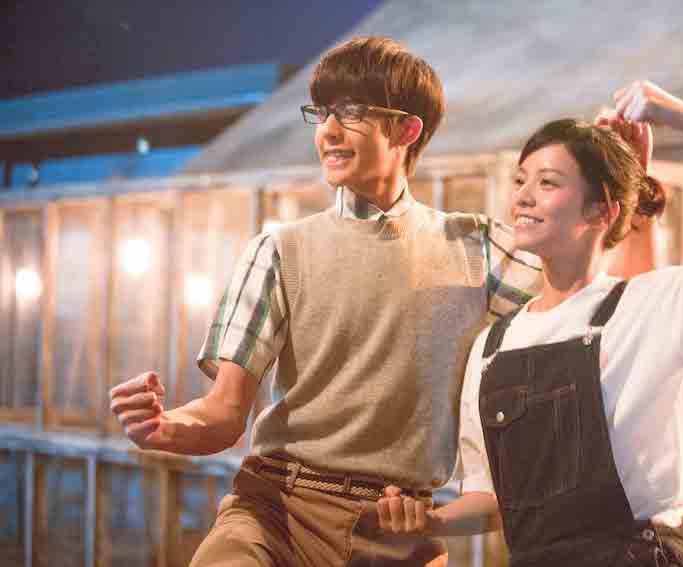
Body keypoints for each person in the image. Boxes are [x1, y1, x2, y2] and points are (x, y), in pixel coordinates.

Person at [108, 36, 653, 567]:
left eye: (349, 113)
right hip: (274, 513)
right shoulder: (277, 251)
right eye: (321, 114)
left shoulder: (480, 249)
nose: (328, 132)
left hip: (402, 529)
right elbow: (225, 414)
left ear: (406, 130)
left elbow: (612, 321)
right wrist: (162, 427)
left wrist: (636, 194)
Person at [376, 81, 683, 567]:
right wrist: (429, 521)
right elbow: (492, 498)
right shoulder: (493, 347)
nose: (523, 197)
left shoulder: (647, 306)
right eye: (520, 180)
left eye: (548, 183)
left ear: (602, 209)